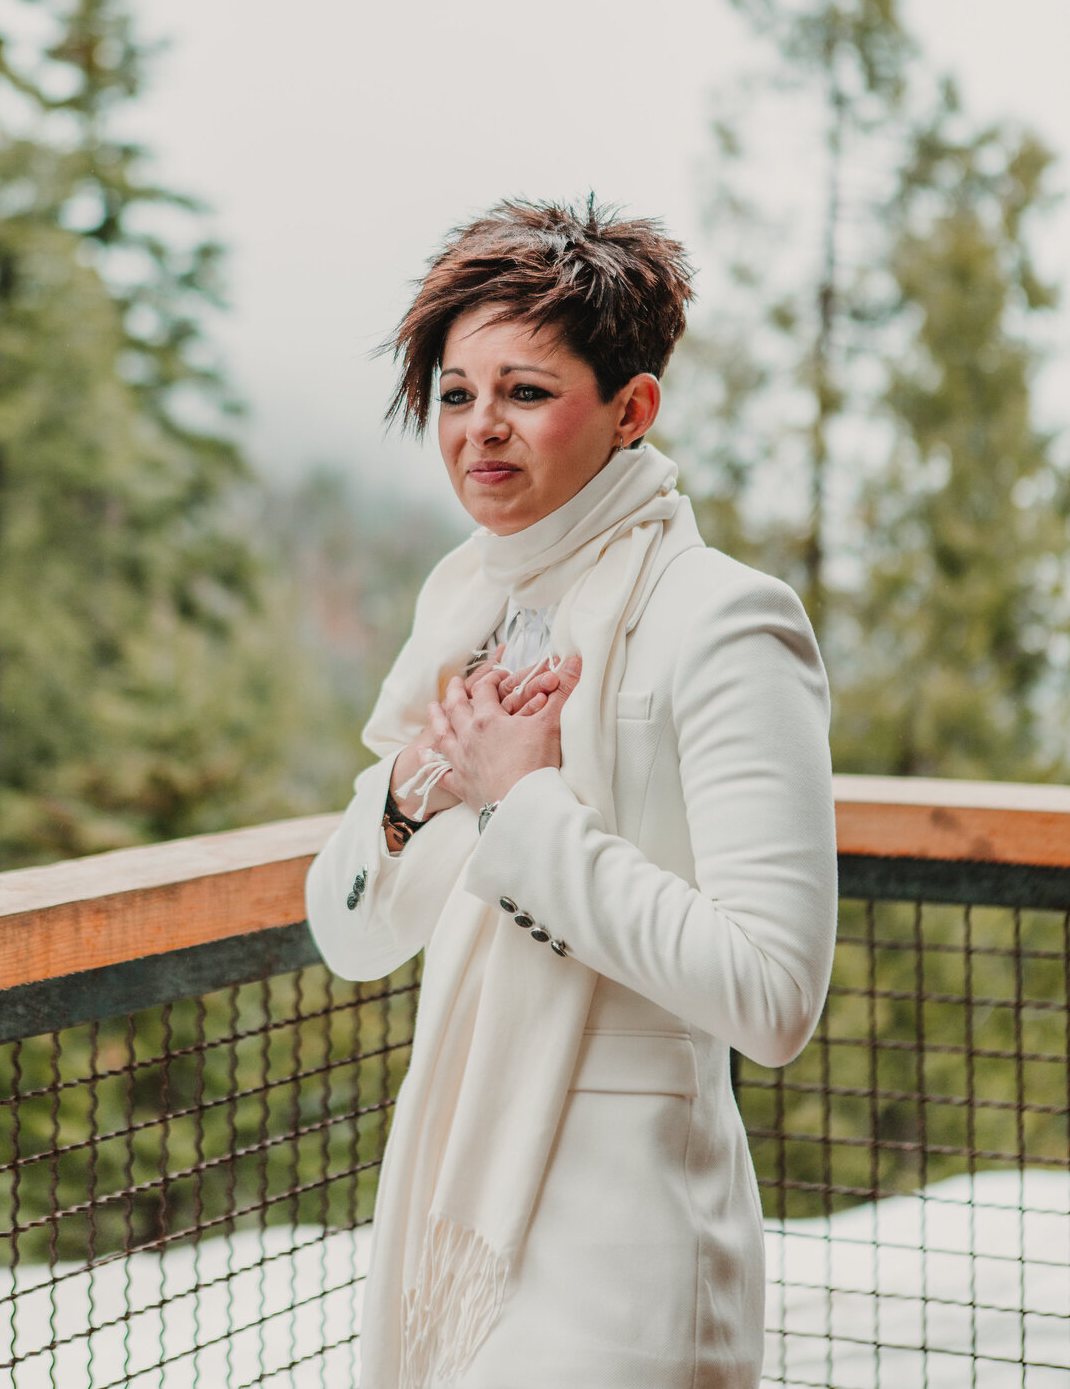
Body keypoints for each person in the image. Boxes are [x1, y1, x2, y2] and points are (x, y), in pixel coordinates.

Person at [305, 199, 837, 1389]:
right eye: (454, 394)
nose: (479, 431)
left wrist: (530, 806)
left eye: (526, 393)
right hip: (450, 1193)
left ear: (631, 409)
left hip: (623, 1248)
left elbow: (775, 995)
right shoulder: (465, 608)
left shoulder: (727, 621)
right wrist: (409, 796)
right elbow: (350, 932)